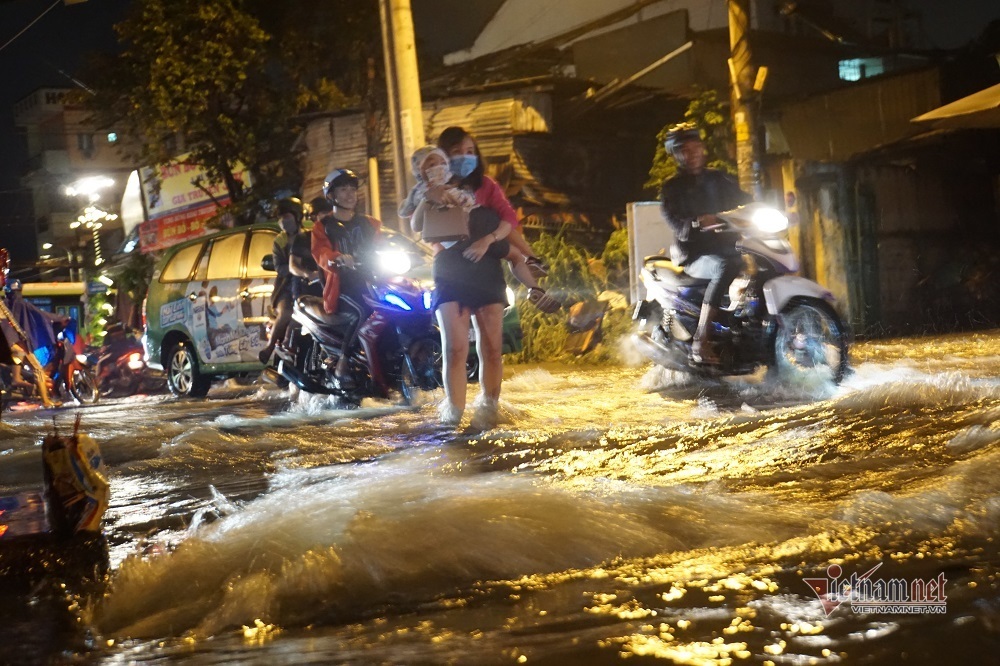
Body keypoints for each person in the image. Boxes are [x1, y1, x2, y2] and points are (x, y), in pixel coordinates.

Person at [427, 127, 527, 427]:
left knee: (493, 349)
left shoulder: (487, 186)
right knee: (455, 348)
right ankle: (453, 416)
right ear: (445, 155)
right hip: (450, 270)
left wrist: (489, 240)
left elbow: (510, 219)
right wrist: (432, 196)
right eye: (459, 151)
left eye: (471, 151)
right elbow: (417, 225)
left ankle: (488, 409)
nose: (466, 157)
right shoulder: (432, 187)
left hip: (486, 269)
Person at [404, 145, 560, 313]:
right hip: (467, 239)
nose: (439, 167)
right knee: (515, 255)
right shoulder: (430, 192)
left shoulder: (426, 192)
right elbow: (417, 223)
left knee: (511, 248)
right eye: (432, 164)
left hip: (462, 241)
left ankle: (534, 280)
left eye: (443, 162)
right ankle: (533, 284)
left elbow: (412, 215)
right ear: (420, 170)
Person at [659, 123, 751, 365]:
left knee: (754, 262)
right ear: (677, 155)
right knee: (726, 266)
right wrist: (698, 223)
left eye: (696, 147)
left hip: (728, 248)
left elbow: (746, 200)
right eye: (685, 150)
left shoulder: (718, 178)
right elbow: (677, 225)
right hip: (694, 255)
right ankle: (701, 342)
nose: (693, 153)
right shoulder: (672, 188)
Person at [311, 168, 381, 387]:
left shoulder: (370, 223)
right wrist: (338, 258)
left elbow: (382, 248)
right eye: (343, 189)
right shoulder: (323, 227)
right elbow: (321, 255)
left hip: (375, 283)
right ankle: (343, 360)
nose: (350, 194)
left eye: (353, 189)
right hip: (342, 289)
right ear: (331, 195)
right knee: (365, 310)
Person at [259, 197, 313, 364]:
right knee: (287, 312)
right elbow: (279, 267)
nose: (283, 221)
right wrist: (295, 269)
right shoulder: (279, 241)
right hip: (286, 286)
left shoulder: (310, 233)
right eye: (280, 218)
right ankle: (271, 346)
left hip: (312, 283)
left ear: (297, 216)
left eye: (287, 216)